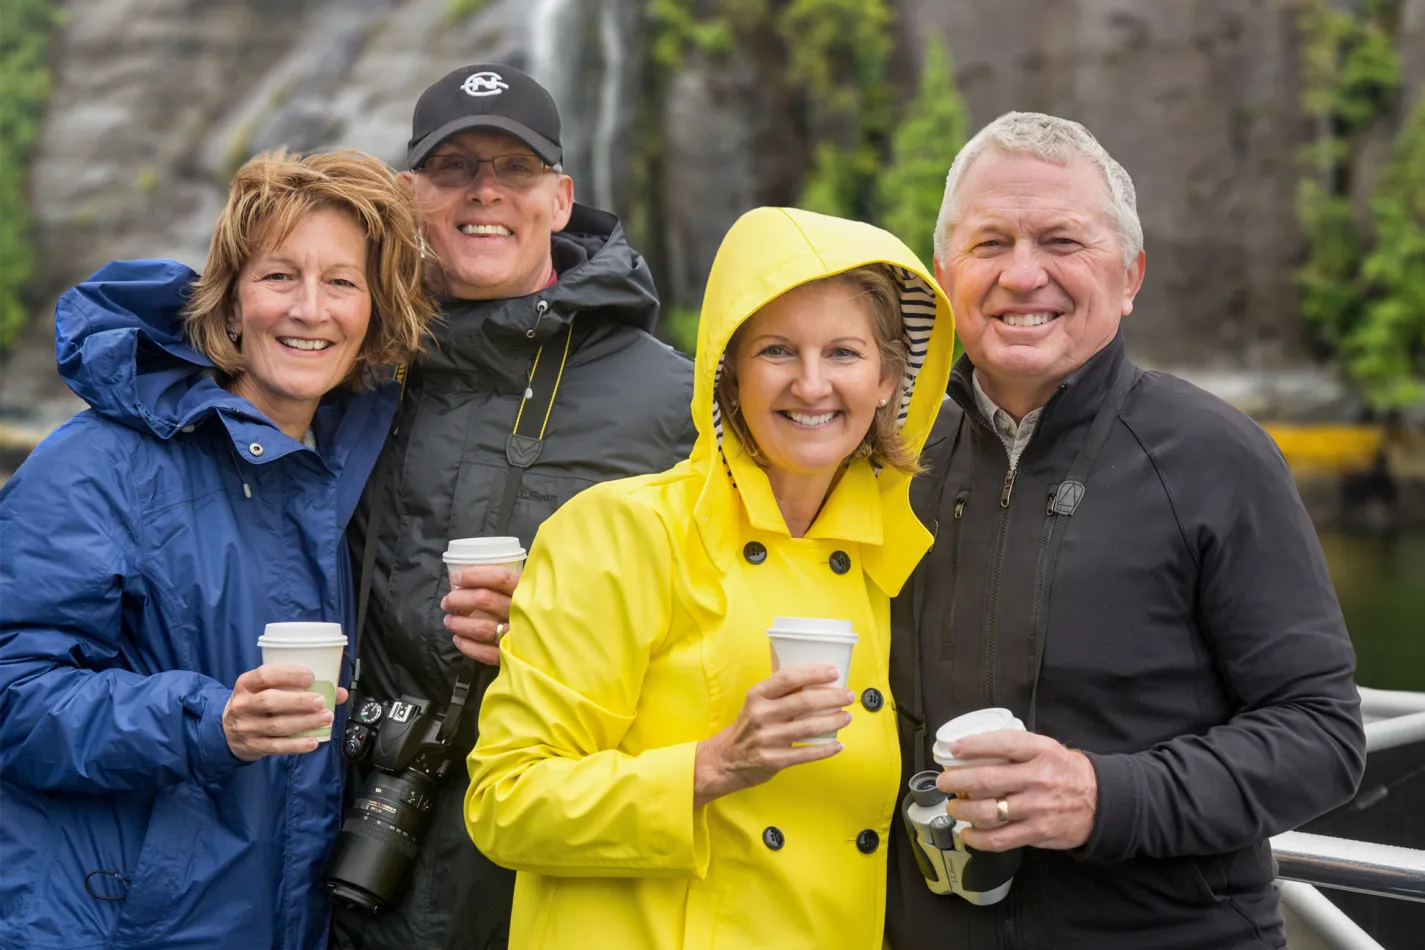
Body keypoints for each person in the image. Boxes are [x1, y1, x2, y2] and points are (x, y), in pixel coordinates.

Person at [885, 111, 1367, 949]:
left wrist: (1103, 798)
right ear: (943, 272)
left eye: (1061, 241)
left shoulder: (1215, 456)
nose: (1022, 274)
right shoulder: (891, 459)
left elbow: (1320, 736)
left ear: (1131, 273)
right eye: (989, 243)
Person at [466, 206, 957, 949]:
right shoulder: (621, 531)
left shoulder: (893, 561)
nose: (812, 385)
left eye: (845, 354)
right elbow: (505, 802)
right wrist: (714, 765)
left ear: (890, 378)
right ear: (727, 369)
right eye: (777, 351)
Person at [0, 150, 435, 950]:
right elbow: (15, 696)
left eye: (341, 282)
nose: (310, 309)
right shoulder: (97, 462)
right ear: (230, 304)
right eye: (279, 277)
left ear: (374, 313)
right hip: (117, 922)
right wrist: (210, 722)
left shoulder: (364, 469)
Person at [330, 64, 696, 950]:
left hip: (555, 869)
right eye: (453, 168)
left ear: (561, 199)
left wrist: (567, 619)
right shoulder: (345, 367)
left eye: (514, 169)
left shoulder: (676, 402)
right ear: (408, 196)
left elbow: (727, 618)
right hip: (346, 850)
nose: (483, 191)